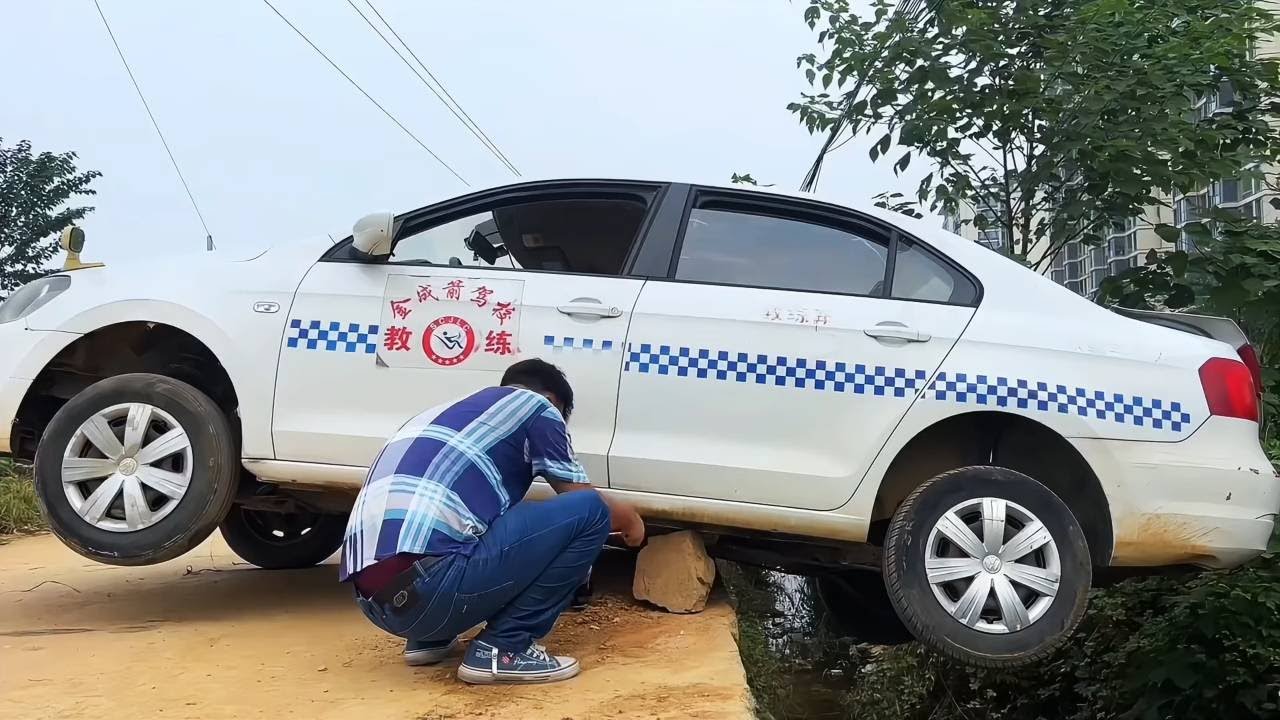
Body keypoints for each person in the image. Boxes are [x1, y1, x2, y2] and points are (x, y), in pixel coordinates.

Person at [340, 358, 646, 684]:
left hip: (379, 607)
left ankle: (430, 639)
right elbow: (578, 495)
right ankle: (504, 649)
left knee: (484, 521)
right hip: (434, 591)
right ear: (552, 400)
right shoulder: (537, 406)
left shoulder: (439, 415)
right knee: (589, 511)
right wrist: (630, 522)